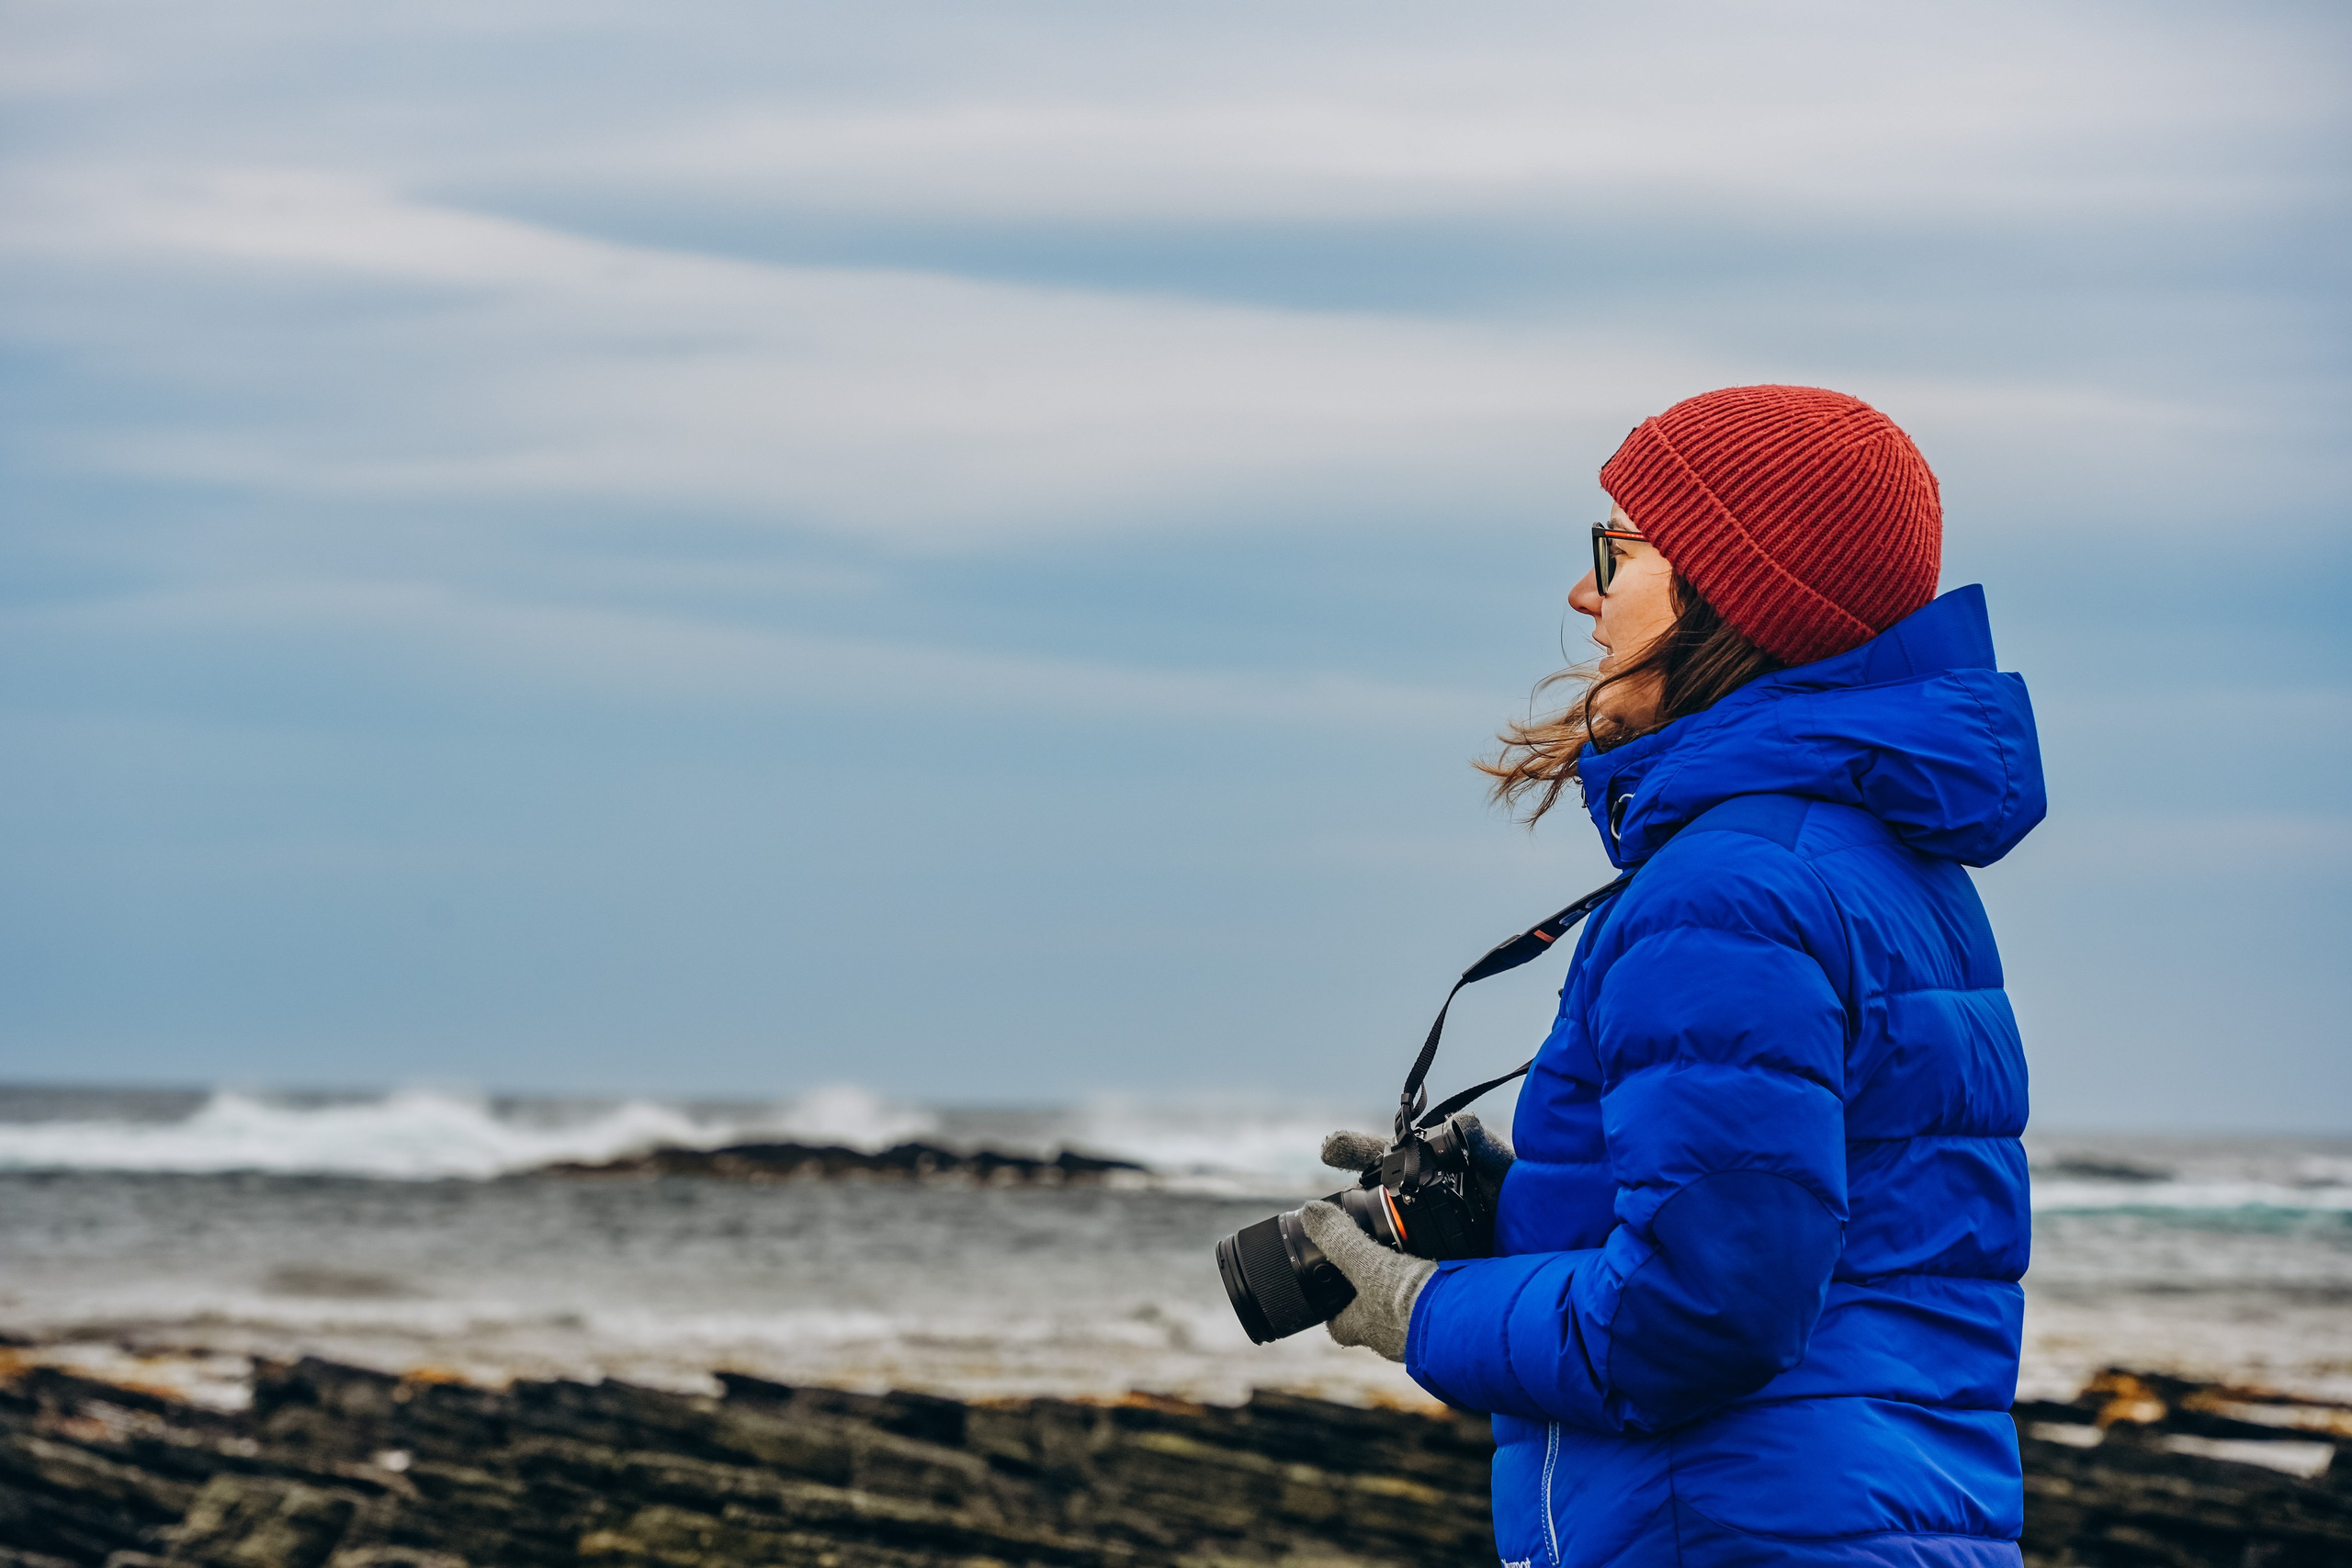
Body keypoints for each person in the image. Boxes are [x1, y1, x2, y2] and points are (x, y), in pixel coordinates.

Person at [1301, 385, 2042, 1567]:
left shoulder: (1726, 890)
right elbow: (1844, 1233)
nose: (1583, 594)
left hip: (1733, 1532)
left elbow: (1698, 1313)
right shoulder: (1889, 870)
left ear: (1731, 593)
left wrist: (1418, 1310)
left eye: (1619, 550)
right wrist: (1520, 1204)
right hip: (1882, 1523)